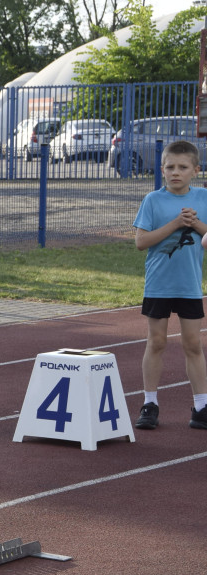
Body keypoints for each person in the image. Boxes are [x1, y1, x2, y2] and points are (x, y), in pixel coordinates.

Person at [133, 139, 207, 430]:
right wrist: (176, 223)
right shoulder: (153, 200)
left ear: (196, 170)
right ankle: (149, 403)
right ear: (162, 169)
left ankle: (201, 406)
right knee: (157, 342)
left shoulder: (203, 197)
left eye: (183, 167)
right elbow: (141, 242)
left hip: (189, 284)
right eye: (169, 167)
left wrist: (197, 224)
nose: (175, 172)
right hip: (159, 284)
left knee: (193, 343)